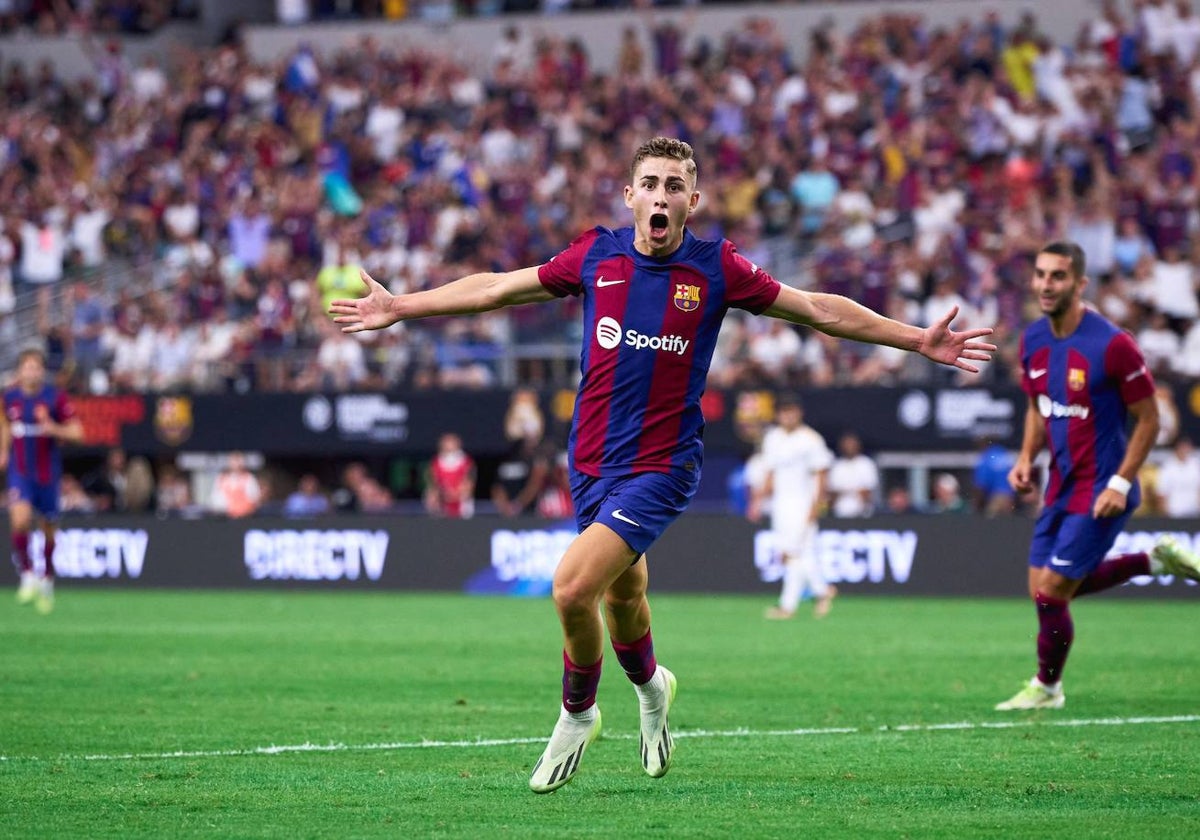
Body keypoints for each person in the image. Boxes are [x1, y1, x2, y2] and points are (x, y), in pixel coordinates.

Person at [330, 137, 996, 792]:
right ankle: (653, 690)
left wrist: (916, 339)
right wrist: (400, 306)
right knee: (623, 597)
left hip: (662, 465)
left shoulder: (716, 268)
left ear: (693, 201)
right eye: (649, 183)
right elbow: (500, 288)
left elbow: (818, 309)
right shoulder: (596, 254)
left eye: (674, 186)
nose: (660, 196)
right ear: (629, 196)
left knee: (570, 589)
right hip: (589, 462)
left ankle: (578, 712)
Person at [996, 241, 1200, 712]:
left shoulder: (1113, 344)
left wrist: (1122, 482)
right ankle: (1153, 562)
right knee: (1044, 593)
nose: (1046, 284)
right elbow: (1036, 405)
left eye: (1058, 276)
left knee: (1052, 591)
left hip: (1104, 486)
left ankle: (1047, 688)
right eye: (1041, 275)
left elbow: (1149, 419)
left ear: (1080, 284)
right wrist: (1026, 457)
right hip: (1060, 484)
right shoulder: (1032, 340)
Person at [0, 348, 84, 613]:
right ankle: (27, 573)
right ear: (20, 370)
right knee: (20, 519)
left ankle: (46, 576)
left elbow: (78, 432)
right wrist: (3, 450)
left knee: (48, 529)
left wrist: (54, 428)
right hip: (20, 472)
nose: (31, 371)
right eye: (27, 366)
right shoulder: (9, 398)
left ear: (41, 371)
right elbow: (4, 424)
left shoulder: (54, 398)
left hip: (48, 474)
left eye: (36, 367)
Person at [752, 396, 836, 620]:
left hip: (802, 502)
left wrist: (817, 506)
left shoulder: (811, 440)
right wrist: (758, 500)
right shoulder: (773, 438)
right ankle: (816, 593)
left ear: (799, 413)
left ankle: (797, 601)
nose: (788, 416)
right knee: (789, 555)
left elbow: (821, 475)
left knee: (797, 552)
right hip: (781, 504)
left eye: (792, 411)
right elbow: (770, 472)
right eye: (784, 412)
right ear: (778, 415)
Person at [424, 432, 476, 519]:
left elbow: (468, 488)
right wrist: (440, 496)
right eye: (446, 444)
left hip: (461, 505)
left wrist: (452, 496)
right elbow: (433, 486)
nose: (449, 447)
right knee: (430, 497)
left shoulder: (467, 463)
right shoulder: (435, 463)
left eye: (451, 443)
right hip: (441, 504)